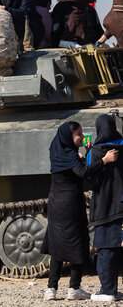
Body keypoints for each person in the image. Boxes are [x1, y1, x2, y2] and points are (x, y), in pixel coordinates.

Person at [41, 121, 117, 301]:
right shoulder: (70, 156)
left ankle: (51, 289)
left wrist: (86, 154)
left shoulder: (58, 150)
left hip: (55, 205)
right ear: (69, 136)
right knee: (78, 243)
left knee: (57, 245)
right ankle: (74, 288)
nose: (82, 137)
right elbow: (82, 172)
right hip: (71, 205)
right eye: (79, 135)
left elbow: (73, 169)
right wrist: (103, 160)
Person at [86, 115, 123, 302]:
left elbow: (89, 177)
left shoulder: (96, 151)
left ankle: (108, 290)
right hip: (121, 208)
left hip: (106, 208)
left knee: (106, 250)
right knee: (117, 247)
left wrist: (88, 154)